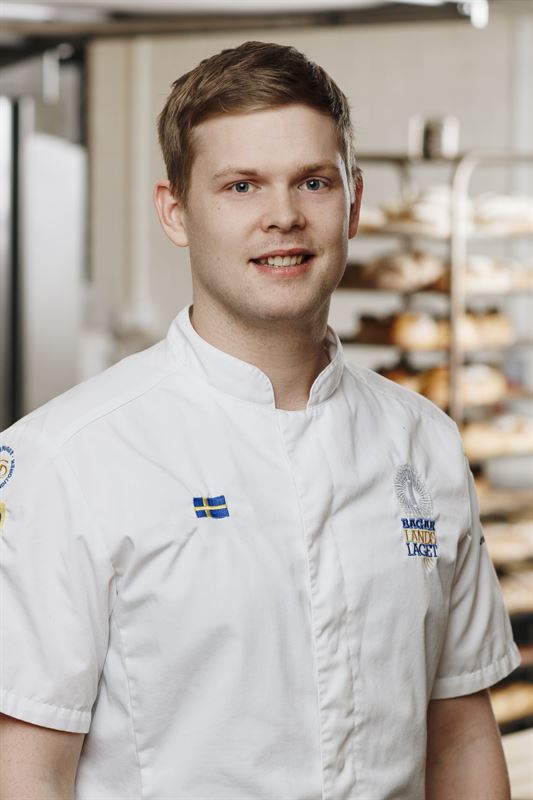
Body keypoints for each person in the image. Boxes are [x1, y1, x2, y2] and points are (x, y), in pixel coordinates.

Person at [0, 40, 519, 800]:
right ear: (175, 211)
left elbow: (462, 738)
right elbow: (24, 770)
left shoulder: (426, 444)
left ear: (353, 202)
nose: (283, 217)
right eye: (241, 186)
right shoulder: (67, 459)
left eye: (312, 182)